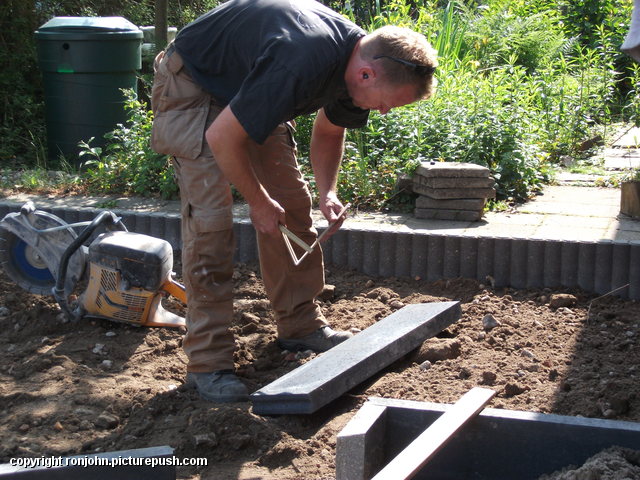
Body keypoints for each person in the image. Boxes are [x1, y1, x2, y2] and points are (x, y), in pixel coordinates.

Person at [150, 0, 438, 403]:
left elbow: (329, 131)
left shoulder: (356, 64)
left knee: (293, 209)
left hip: (248, 86)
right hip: (195, 86)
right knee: (212, 225)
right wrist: (257, 200)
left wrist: (328, 192)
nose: (385, 111)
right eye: (388, 101)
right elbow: (221, 137)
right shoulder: (301, 58)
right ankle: (208, 362)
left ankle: (300, 325)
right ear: (366, 73)